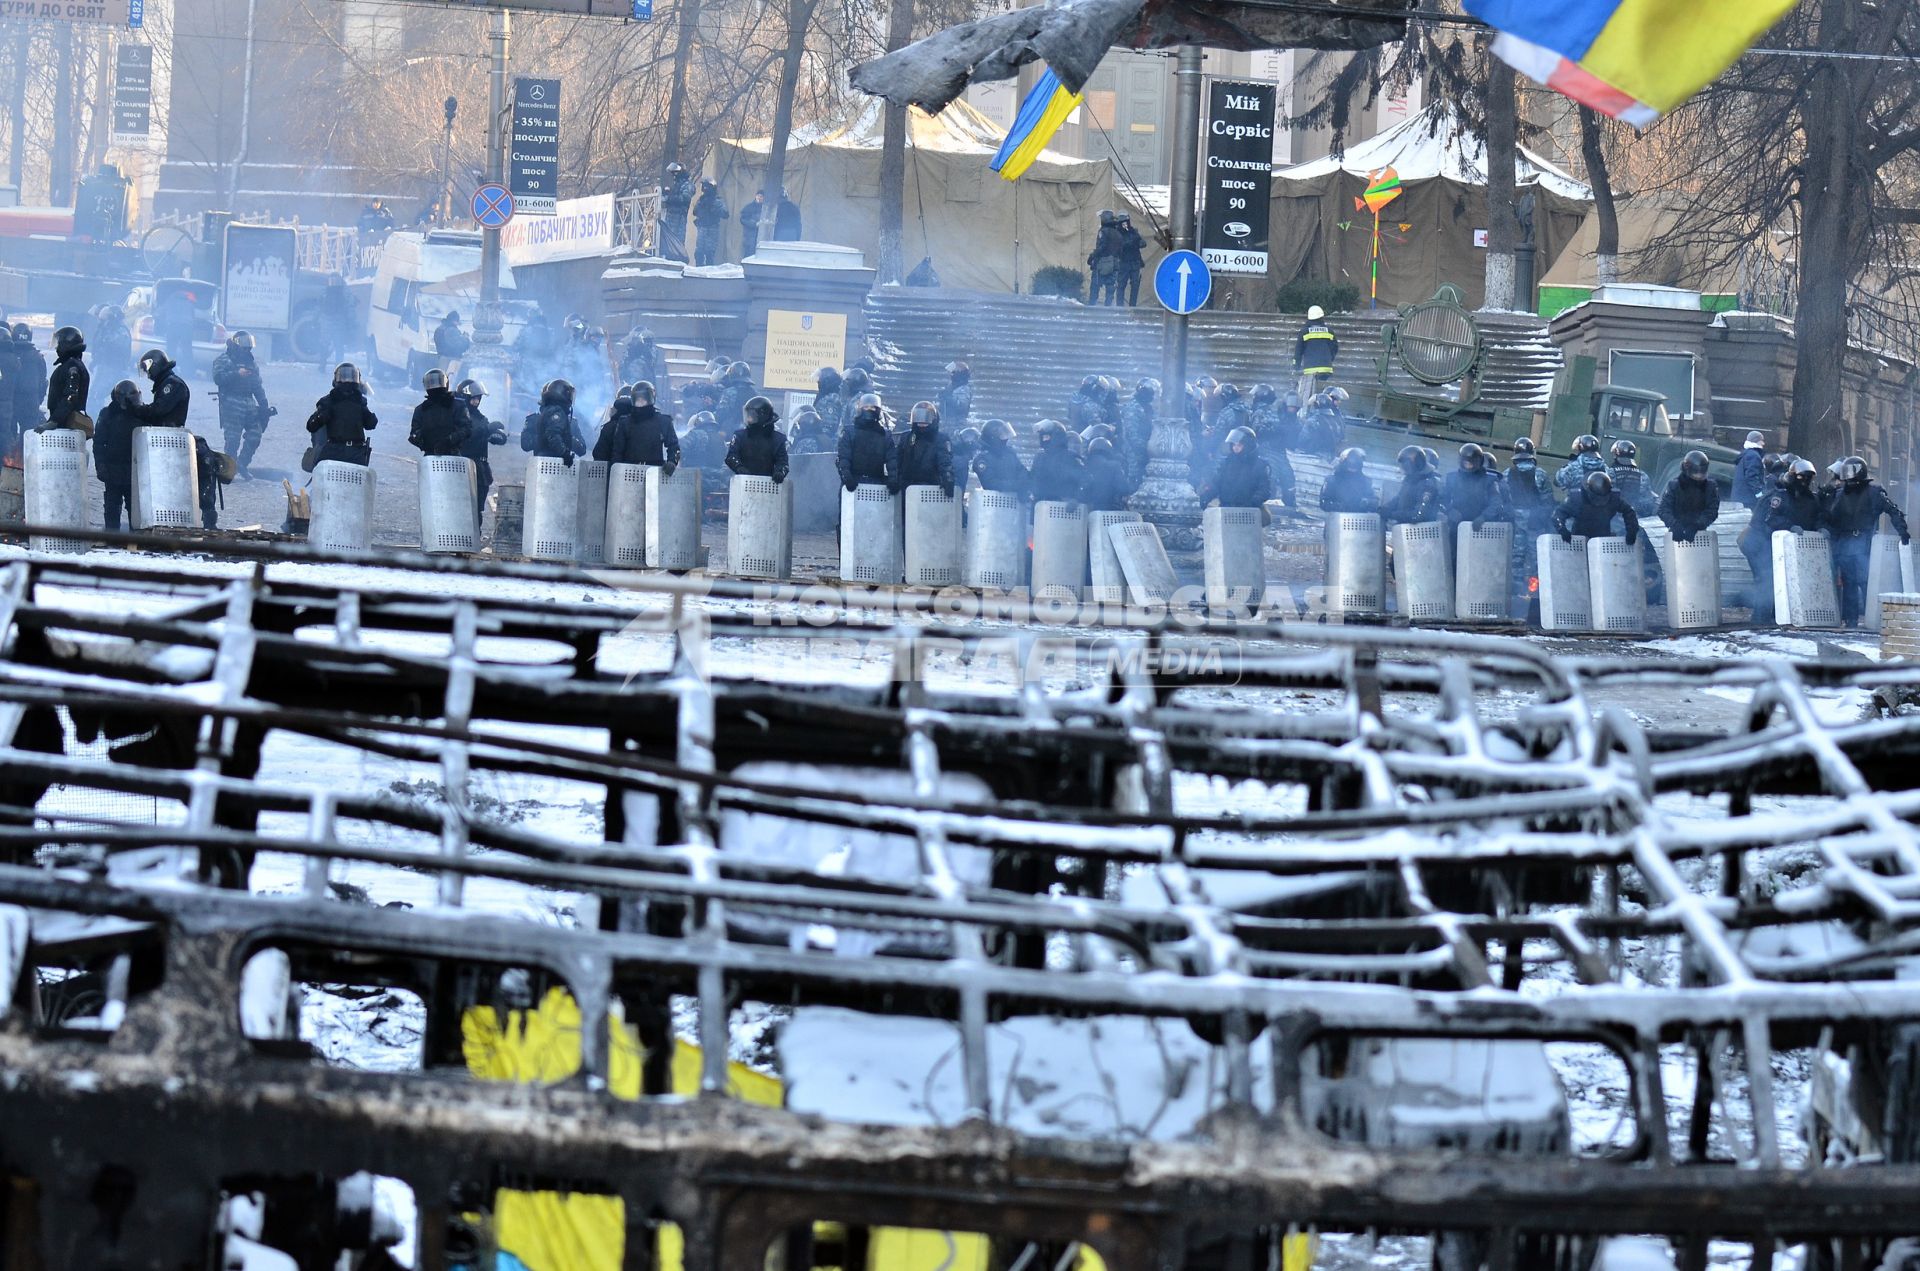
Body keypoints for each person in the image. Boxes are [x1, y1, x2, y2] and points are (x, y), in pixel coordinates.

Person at [1823, 456, 1911, 627]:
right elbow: (1830, 517)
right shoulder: (1839, 493)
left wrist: (1902, 530)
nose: (1849, 476)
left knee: (1866, 582)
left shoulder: (1874, 492)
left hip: (1865, 544)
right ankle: (1851, 620)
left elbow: (1892, 510)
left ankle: (1872, 618)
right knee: (1849, 583)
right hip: (1845, 544)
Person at [210, 331, 272, 475]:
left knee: (255, 435)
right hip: (231, 402)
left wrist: (264, 405)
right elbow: (218, 379)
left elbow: (257, 385)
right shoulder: (223, 360)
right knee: (233, 439)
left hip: (249, 402)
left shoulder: (251, 364)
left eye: (248, 348)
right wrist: (236, 374)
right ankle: (229, 468)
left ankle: (242, 464)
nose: (247, 351)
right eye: (244, 348)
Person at [455, 379, 506, 532]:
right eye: (474, 398)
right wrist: (488, 430)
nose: (476, 401)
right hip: (465, 467)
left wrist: (497, 437)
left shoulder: (480, 417)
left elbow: (485, 433)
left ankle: (473, 538)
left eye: (478, 398)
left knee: (477, 508)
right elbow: (468, 435)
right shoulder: (459, 416)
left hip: (480, 468)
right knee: (464, 505)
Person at [305, 363, 376, 466]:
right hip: (334, 452)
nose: (347, 381)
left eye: (351, 377)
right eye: (343, 377)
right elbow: (311, 426)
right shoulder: (328, 402)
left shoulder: (360, 402)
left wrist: (369, 416)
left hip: (355, 453)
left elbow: (371, 424)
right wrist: (322, 417)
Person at [93, 379, 138, 530]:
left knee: (136, 508)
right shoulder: (108, 414)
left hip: (135, 469)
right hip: (113, 468)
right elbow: (99, 442)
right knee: (112, 506)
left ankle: (137, 538)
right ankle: (113, 538)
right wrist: (100, 465)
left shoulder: (142, 413)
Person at [1554, 470, 1640, 544]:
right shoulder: (1576, 499)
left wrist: (1632, 531)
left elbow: (1629, 511)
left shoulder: (1613, 498)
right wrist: (1562, 529)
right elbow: (1558, 514)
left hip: (1602, 540)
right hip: (1579, 540)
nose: (1599, 502)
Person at [1197, 427, 1272, 510]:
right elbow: (1216, 483)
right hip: (1226, 508)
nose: (1235, 447)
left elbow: (1264, 490)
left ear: (1248, 445)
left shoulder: (1259, 465)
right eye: (1234, 445)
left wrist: (1252, 503)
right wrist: (1206, 497)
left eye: (1239, 445)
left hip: (1249, 511)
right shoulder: (1227, 463)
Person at [892, 400, 955, 497]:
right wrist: (894, 478)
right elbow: (897, 459)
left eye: (926, 420)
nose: (922, 424)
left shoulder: (940, 438)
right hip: (907, 486)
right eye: (919, 420)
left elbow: (945, 460)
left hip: (931, 486)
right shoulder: (908, 437)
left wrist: (947, 478)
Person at [1658, 450, 1721, 545]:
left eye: (1701, 475)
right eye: (1696, 475)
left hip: (1700, 534)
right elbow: (1663, 509)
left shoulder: (1710, 487)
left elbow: (1712, 510)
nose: (1699, 478)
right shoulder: (1674, 486)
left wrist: (1698, 525)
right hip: (1676, 532)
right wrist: (1674, 525)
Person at [1442, 443, 1510, 528]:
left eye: (1471, 463)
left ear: (1479, 461)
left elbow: (1496, 503)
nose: (1468, 466)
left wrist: (1484, 517)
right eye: (1466, 463)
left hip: (1481, 526)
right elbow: (1442, 499)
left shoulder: (1490, 480)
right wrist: (1450, 510)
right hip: (1456, 525)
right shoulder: (1452, 478)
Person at [837, 392, 894, 490]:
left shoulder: (884, 434)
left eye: (873, 408)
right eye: (866, 407)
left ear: (878, 410)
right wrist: (847, 477)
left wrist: (892, 479)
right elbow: (844, 457)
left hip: (878, 483)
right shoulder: (850, 432)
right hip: (854, 482)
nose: (869, 410)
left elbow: (892, 459)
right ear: (860, 409)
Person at [522, 379, 587, 464]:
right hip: (546, 466)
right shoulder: (534, 419)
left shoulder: (571, 422)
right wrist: (545, 439)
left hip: (554, 467)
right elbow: (525, 445)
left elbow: (582, 449)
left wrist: (566, 439)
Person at [408, 368, 469, 457]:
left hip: (453, 455)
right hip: (430, 456)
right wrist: (427, 441)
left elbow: (466, 429)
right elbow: (414, 435)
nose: (435, 387)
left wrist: (449, 440)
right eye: (432, 383)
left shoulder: (457, 405)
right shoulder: (421, 409)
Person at [1505, 437, 1557, 535]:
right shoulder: (1541, 474)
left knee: (1516, 549)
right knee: (1534, 549)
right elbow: (1548, 501)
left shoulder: (1506, 473)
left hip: (1515, 519)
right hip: (1535, 519)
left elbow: (1503, 498)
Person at [131, 347, 190, 428]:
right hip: (163, 432)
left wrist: (137, 409)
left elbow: (158, 410)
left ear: (155, 366)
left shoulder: (173, 384)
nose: (148, 375)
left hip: (169, 435)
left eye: (148, 371)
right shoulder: (165, 382)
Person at [1383, 445, 1441, 526]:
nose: (1404, 469)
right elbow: (1399, 498)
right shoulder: (1410, 480)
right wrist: (1385, 508)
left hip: (1421, 533)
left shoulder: (1428, 484)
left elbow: (1418, 515)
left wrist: (1392, 514)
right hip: (1405, 529)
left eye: (1406, 465)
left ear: (1416, 463)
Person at [1029, 419, 1084, 504]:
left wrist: (1077, 499)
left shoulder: (1070, 457)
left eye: (1047, 436)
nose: (1045, 439)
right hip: (1041, 505)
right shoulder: (1039, 457)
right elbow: (1033, 478)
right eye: (1044, 436)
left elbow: (1085, 480)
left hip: (1063, 507)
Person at [45, 325, 89, 431]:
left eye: (59, 343)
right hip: (64, 421)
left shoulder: (72, 367)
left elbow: (71, 396)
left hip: (67, 424)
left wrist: (54, 420)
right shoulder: (71, 364)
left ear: (66, 344)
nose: (56, 347)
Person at [972, 418, 1030, 497]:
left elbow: (1022, 471)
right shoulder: (982, 459)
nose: (1006, 438)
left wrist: (1024, 484)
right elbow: (990, 483)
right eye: (1002, 435)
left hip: (1014, 502)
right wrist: (1016, 485)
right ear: (992, 437)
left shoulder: (1010, 454)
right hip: (993, 503)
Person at [1294, 305, 1338, 400]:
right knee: (1324, 394)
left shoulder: (1305, 331)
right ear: (1321, 317)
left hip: (1310, 370)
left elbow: (1298, 350)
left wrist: (1296, 365)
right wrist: (1330, 359)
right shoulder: (1329, 331)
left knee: (1309, 396)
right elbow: (1335, 348)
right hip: (1326, 369)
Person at [1120, 378, 1157, 489]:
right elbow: (1131, 434)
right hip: (1134, 452)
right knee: (1134, 479)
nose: (1152, 396)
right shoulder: (1132, 407)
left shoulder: (1147, 407)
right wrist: (1144, 448)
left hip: (1145, 449)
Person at [1320, 447, 1379, 514]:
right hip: (1336, 520)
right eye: (1350, 466)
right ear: (1343, 464)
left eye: (1355, 467)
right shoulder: (1331, 480)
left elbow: (1375, 503)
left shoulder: (1365, 482)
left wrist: (1367, 502)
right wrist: (1340, 506)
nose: (1352, 470)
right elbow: (1323, 503)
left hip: (1358, 521)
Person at [11, 324, 46, 435]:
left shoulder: (9, 357)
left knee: (9, 432)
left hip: (12, 401)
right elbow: (43, 382)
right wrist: (37, 401)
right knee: (28, 435)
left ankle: (11, 451)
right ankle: (24, 451)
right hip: (31, 402)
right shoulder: (38, 357)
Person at [156, 285, 197, 379]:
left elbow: (161, 313)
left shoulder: (170, 300)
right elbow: (193, 317)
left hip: (172, 327)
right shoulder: (189, 302)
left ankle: (168, 372)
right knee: (187, 350)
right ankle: (188, 373)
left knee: (171, 350)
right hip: (187, 328)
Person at [91, 304, 133, 390]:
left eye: (107, 319)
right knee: (96, 393)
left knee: (97, 393)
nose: (104, 322)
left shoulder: (121, 332)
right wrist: (95, 361)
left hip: (113, 368)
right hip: (105, 366)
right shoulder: (108, 330)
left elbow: (111, 349)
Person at [1081, 437, 1130, 511]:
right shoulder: (1114, 465)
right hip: (1108, 512)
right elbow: (1123, 489)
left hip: (1086, 512)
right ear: (1109, 450)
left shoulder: (1083, 465)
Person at [691, 179, 730, 267]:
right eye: (703, 187)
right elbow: (695, 212)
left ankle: (709, 272)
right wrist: (702, 206)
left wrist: (713, 207)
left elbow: (725, 214)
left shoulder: (717, 201)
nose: (704, 188)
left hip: (712, 229)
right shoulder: (701, 200)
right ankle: (698, 270)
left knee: (709, 252)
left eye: (706, 187)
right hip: (702, 228)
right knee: (699, 252)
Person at [659, 164, 694, 261]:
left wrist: (670, 198)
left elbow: (685, 198)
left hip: (679, 219)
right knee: (668, 245)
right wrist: (667, 194)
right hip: (670, 218)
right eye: (673, 173)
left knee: (677, 244)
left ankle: (679, 263)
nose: (674, 176)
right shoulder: (677, 185)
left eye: (676, 173)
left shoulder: (688, 185)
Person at [1087, 210, 1122, 306]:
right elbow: (1120, 250)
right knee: (1110, 288)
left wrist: (1092, 256)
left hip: (1103, 263)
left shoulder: (1103, 231)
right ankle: (1108, 308)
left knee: (1095, 285)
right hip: (1115, 262)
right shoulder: (1118, 233)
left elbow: (1101, 247)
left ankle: (1091, 307)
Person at [1114, 212, 1146, 306]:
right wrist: (1130, 243)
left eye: (1126, 222)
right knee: (1121, 285)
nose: (1125, 224)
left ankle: (1133, 306)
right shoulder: (1117, 233)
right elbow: (1119, 246)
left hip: (1135, 262)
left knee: (1135, 285)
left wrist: (1136, 242)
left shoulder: (1133, 231)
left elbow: (1143, 243)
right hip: (1123, 262)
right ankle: (1119, 307)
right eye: (1123, 222)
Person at [1732, 430, 1768, 506]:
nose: (1763, 443)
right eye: (1761, 440)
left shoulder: (1746, 454)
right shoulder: (1753, 456)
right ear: (1756, 441)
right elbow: (1752, 477)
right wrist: (1759, 494)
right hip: (1749, 497)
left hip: (1741, 496)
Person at [937, 361, 972, 430]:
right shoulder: (952, 386)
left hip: (957, 425)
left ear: (958, 373)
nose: (950, 375)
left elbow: (962, 407)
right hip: (947, 423)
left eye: (952, 373)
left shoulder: (964, 388)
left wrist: (947, 398)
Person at [740, 191, 766, 258]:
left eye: (761, 196)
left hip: (763, 237)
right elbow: (743, 219)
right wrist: (754, 224)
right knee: (749, 254)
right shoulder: (749, 207)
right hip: (750, 236)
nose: (759, 198)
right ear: (755, 196)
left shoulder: (766, 208)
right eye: (758, 196)